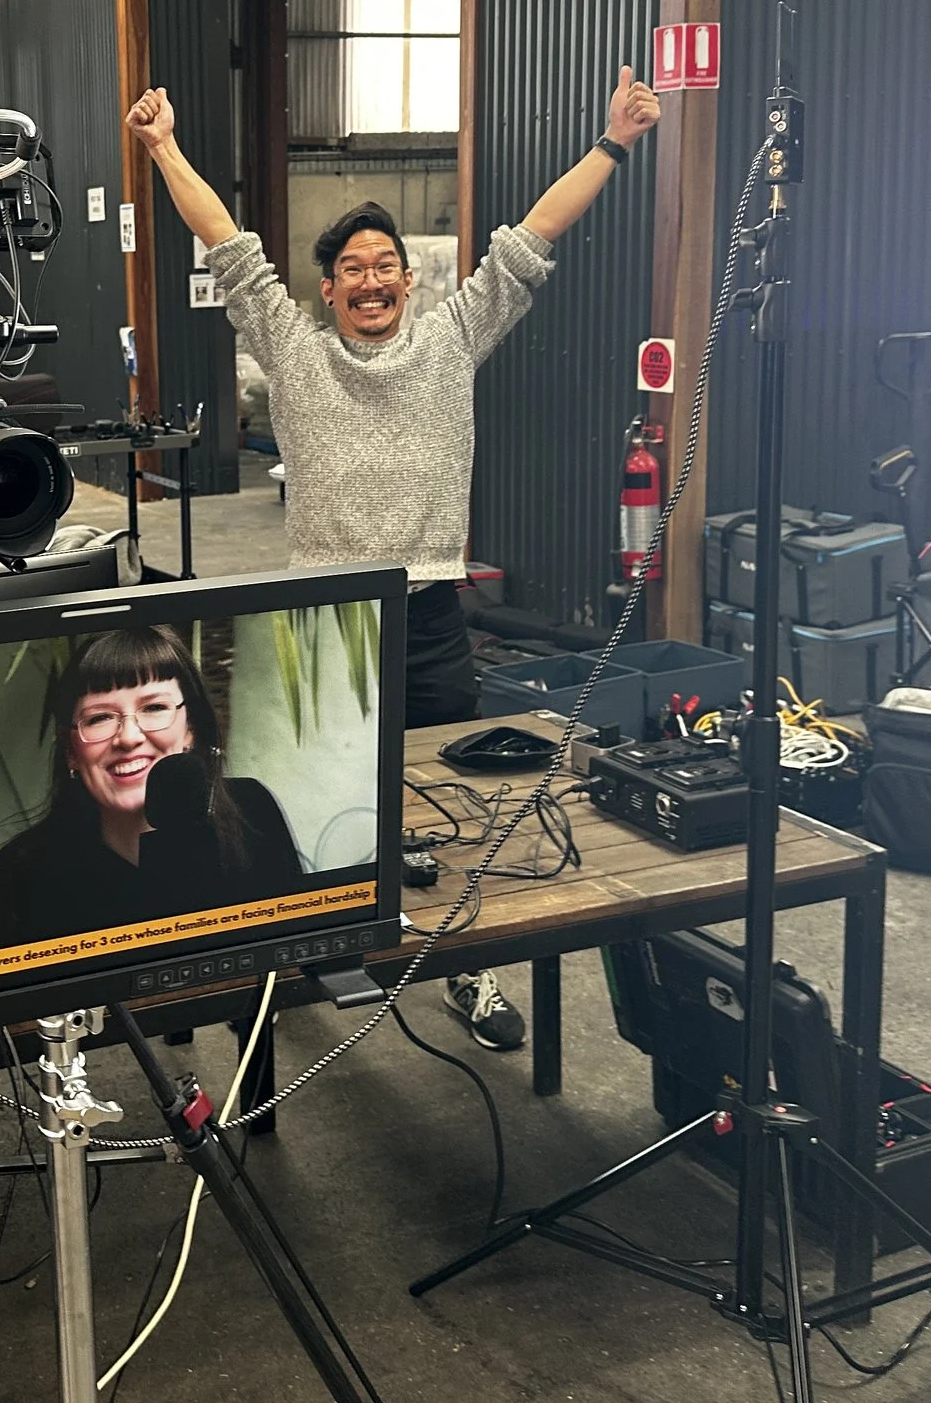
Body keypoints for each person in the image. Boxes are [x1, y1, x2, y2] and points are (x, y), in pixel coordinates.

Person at [125, 70, 661, 1050]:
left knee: (450, 802)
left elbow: (535, 235)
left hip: (430, 616)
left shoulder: (451, 339)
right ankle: (296, 956)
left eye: (386, 266)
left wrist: (615, 140)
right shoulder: (293, 349)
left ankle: (465, 968)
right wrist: (162, 148)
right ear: (326, 289)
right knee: (312, 800)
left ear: (410, 282)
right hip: (327, 619)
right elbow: (226, 243)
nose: (370, 281)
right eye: (351, 269)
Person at [0, 626, 303, 952]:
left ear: (191, 729)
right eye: (99, 718)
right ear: (71, 752)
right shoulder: (18, 874)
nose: (128, 738)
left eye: (154, 708)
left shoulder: (253, 811)